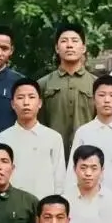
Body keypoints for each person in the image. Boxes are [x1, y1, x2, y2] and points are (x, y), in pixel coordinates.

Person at [0, 78, 66, 200]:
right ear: (12, 104)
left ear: (40, 103)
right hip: (11, 203)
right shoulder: (1, 139)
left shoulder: (53, 138)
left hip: (44, 205)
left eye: (31, 97)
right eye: (20, 97)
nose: (26, 103)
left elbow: (59, 179)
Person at [38, 23, 96, 156]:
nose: (69, 45)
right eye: (64, 41)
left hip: (87, 155)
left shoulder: (96, 84)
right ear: (57, 48)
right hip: (52, 152)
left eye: (75, 41)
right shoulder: (43, 84)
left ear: (83, 48)